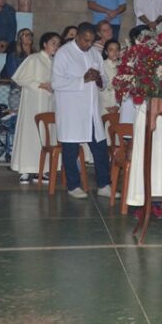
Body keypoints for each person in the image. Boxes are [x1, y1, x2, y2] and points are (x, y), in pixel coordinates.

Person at [52, 22, 112, 199]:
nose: (89, 44)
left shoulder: (95, 53)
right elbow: (56, 83)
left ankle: (104, 185)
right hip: (72, 111)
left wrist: (99, 79)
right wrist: (82, 79)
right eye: (86, 40)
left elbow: (104, 81)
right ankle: (73, 186)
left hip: (91, 111)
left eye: (92, 41)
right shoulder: (64, 53)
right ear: (77, 36)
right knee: (71, 150)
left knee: (100, 150)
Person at [11, 32, 60, 184]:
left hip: (49, 103)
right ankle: (25, 170)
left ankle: (43, 170)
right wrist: (40, 85)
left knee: (46, 135)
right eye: (53, 43)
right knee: (30, 135)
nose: (56, 46)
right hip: (32, 104)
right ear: (44, 44)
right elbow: (19, 78)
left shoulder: (56, 62)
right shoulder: (33, 58)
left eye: (58, 44)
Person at [100, 39, 121, 116]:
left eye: (117, 49)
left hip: (119, 104)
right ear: (106, 52)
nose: (115, 52)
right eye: (111, 50)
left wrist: (118, 105)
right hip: (105, 104)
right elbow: (102, 85)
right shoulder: (101, 65)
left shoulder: (123, 65)